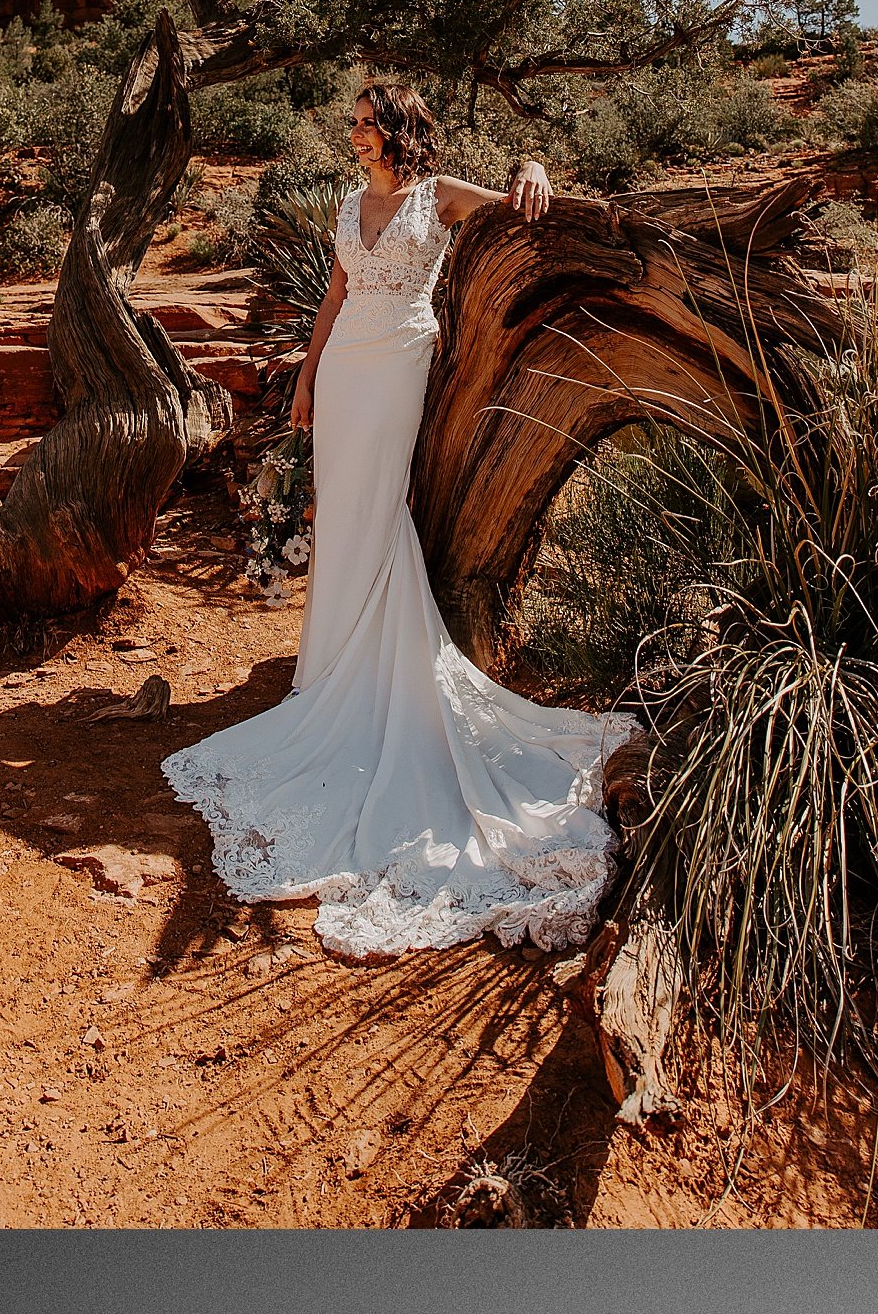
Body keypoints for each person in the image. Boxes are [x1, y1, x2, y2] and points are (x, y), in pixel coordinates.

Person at [162, 74, 622, 963]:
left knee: (377, 510)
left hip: (401, 365)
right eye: (356, 123)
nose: (359, 133)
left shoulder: (435, 197)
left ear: (404, 131)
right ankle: (331, 671)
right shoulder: (346, 203)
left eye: (373, 124)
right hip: (341, 376)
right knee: (343, 517)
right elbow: (333, 299)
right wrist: (304, 376)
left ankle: (375, 678)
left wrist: (531, 161)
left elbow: (512, 204)